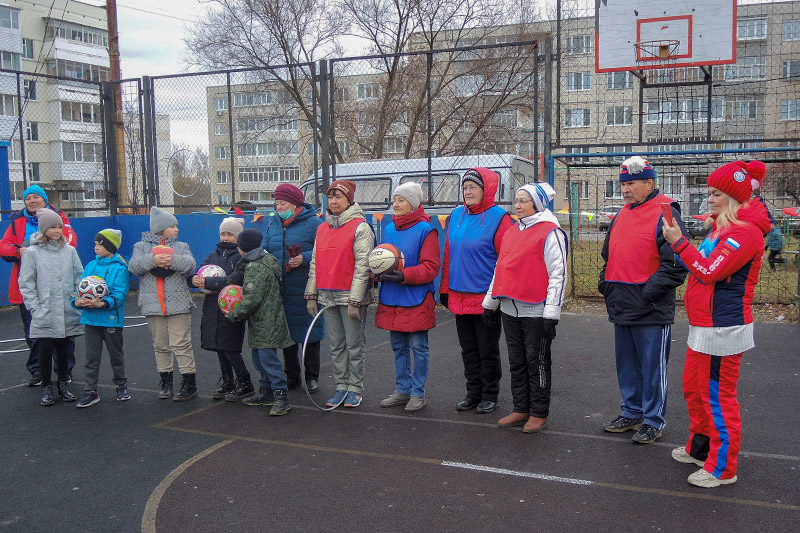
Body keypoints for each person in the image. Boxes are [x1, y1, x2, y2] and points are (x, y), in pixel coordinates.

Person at [663, 160, 770, 488]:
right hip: (704, 325)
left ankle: (723, 467)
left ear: (735, 197)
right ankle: (701, 449)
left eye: (716, 193)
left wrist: (679, 243)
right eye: (709, 193)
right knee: (694, 389)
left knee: (718, 397)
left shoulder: (745, 233)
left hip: (724, 329)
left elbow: (709, 271)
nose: (709, 199)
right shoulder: (721, 228)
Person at [599, 156, 689, 444]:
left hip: (650, 307)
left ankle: (653, 420)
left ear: (649, 183)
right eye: (623, 184)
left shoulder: (666, 212)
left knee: (652, 368)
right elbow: (608, 256)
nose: (625, 189)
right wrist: (606, 284)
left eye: (632, 183)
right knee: (626, 366)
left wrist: (647, 293)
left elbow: (676, 264)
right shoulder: (621, 213)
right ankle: (632, 411)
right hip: (621, 304)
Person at [484, 183, 567, 433]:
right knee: (517, 361)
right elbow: (500, 268)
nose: (517, 205)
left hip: (536, 311)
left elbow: (558, 274)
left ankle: (539, 412)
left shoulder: (551, 232)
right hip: (510, 308)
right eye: (516, 201)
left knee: (537, 361)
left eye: (523, 201)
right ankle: (521, 407)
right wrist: (491, 304)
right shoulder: (512, 230)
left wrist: (552, 313)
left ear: (537, 204)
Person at [440, 168, 514, 414]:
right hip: (459, 295)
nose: (467, 191)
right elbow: (449, 254)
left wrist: (497, 295)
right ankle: (472, 392)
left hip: (486, 298)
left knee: (487, 349)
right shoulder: (457, 214)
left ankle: (490, 394)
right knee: (468, 348)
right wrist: (444, 288)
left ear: (487, 189)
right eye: (464, 187)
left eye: (472, 187)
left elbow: (506, 260)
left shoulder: (499, 218)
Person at [305, 180, 374, 409]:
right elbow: (315, 263)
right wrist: (311, 294)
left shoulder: (360, 227)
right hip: (328, 297)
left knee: (354, 345)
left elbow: (363, 266)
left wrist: (355, 300)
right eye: (331, 197)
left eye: (339, 197)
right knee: (336, 345)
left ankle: (355, 388)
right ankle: (341, 386)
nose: (333, 201)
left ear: (349, 200)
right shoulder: (322, 228)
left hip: (350, 298)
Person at [0, 185, 77, 386]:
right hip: (31, 289)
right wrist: (20, 251)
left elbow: (70, 241)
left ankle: (64, 371)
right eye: (28, 198)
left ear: (44, 200)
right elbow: (4, 246)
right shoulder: (17, 223)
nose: (32, 201)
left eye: (36, 197)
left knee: (64, 333)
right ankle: (37, 372)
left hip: (57, 286)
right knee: (33, 332)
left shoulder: (58, 219)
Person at [376, 182, 441, 413]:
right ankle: (402, 390)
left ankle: (418, 393)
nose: (395, 204)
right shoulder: (389, 228)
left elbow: (431, 267)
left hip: (416, 296)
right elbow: (380, 258)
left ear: (413, 203)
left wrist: (404, 275)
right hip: (392, 295)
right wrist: (376, 272)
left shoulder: (426, 230)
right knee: (398, 346)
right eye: (394, 199)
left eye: (401, 200)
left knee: (417, 346)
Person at [129, 207, 198, 401]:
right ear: (161, 228)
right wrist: (153, 259)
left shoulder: (181, 246)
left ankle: (189, 382)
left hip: (178, 304)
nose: (177, 229)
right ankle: (166, 381)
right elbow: (134, 266)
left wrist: (172, 259)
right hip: (153, 305)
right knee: (161, 345)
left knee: (181, 344)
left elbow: (190, 265)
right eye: (173, 226)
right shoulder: (141, 247)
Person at [224, 228, 295, 416]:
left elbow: (251, 300)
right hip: (265, 319)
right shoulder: (266, 258)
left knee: (268, 360)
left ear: (242, 248)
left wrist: (233, 314)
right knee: (259, 357)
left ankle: (281, 396)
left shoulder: (255, 267)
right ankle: (265, 390)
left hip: (265, 321)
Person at [262, 183, 324, 394]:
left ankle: (312, 376)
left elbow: (323, 252)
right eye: (277, 203)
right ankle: (292, 375)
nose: (279, 207)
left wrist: (304, 258)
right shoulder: (273, 225)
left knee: (310, 333)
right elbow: (265, 250)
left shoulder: (314, 223)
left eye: (283, 203)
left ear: (296, 203)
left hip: (306, 288)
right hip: (281, 289)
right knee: (286, 334)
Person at [17, 208, 83, 406]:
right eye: (53, 227)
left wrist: (76, 298)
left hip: (66, 308)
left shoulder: (69, 251)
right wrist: (35, 308)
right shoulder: (32, 253)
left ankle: (63, 384)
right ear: (44, 229)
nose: (57, 230)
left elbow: (79, 276)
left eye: (59, 227)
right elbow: (26, 283)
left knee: (64, 348)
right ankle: (46, 387)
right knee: (44, 349)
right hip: (44, 309)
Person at [190, 217, 252, 401]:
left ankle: (245, 381)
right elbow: (200, 271)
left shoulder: (241, 258)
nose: (226, 238)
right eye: (223, 234)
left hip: (231, 309)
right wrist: (194, 279)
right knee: (219, 347)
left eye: (230, 235)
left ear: (238, 238)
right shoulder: (213, 256)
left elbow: (235, 278)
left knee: (230, 348)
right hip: (212, 308)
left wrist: (209, 282)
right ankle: (228, 382)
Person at [72, 229, 132, 407]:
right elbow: (81, 289)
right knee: (91, 357)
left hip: (111, 319)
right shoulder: (90, 266)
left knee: (116, 355)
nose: (95, 247)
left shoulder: (121, 268)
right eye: (95, 243)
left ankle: (121, 385)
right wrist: (77, 301)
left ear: (110, 246)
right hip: (90, 319)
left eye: (100, 244)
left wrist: (103, 304)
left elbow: (120, 293)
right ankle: (90, 390)